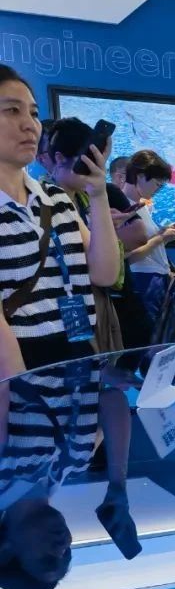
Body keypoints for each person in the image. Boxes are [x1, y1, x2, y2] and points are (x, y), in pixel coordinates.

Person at [0, 66, 120, 375]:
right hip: (22, 365)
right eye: (12, 110)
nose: (29, 124)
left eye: (34, 113)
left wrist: (98, 194)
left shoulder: (56, 198)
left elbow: (105, 274)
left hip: (78, 352)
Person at [48, 118, 150, 354]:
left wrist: (105, 227)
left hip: (97, 300)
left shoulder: (86, 199)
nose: (94, 170)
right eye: (87, 161)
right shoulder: (47, 201)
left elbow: (106, 271)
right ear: (60, 158)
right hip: (68, 305)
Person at [122, 149, 175, 323]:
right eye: (157, 184)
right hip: (143, 281)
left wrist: (163, 234)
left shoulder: (139, 206)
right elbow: (126, 257)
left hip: (154, 280)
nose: (158, 190)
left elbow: (144, 243)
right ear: (140, 176)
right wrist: (161, 238)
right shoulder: (122, 207)